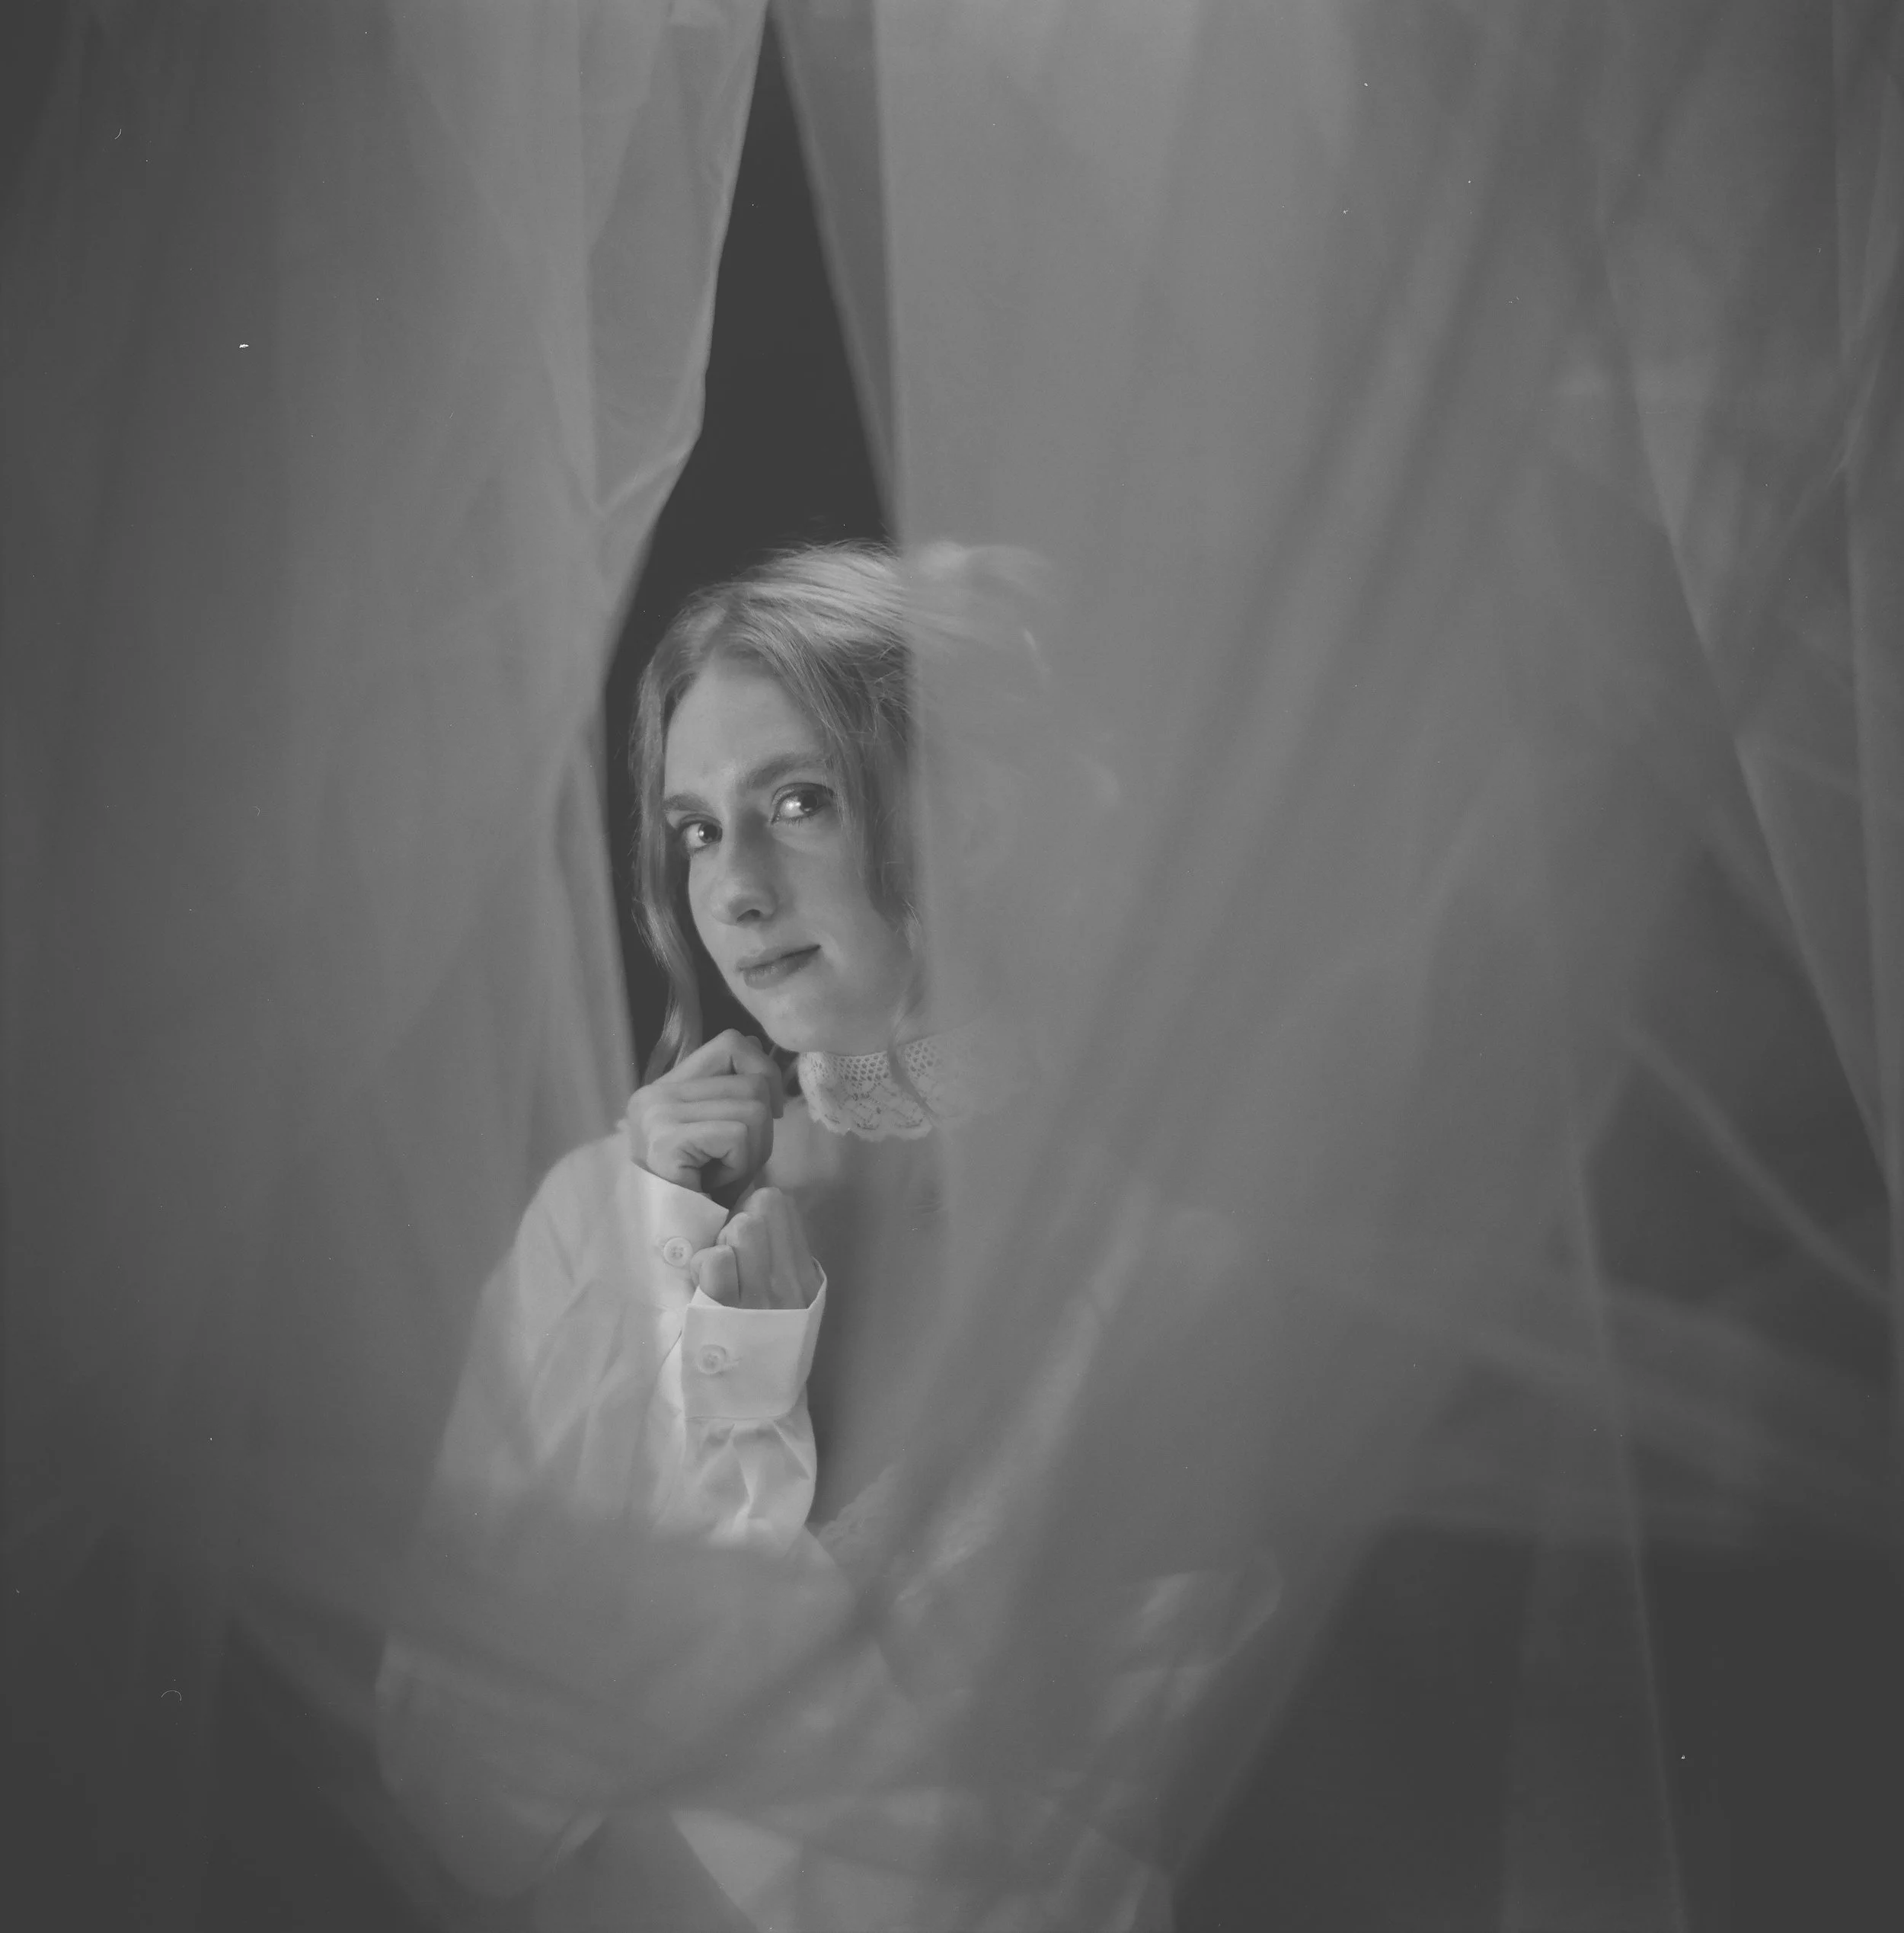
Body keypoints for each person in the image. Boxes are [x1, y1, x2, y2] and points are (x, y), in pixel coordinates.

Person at [373, 543, 1179, 1931]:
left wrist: (739, 1432)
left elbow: (1057, 1880)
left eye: (797, 802)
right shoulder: (607, 1211)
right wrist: (656, 1267)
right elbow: (460, 1784)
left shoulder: (1142, 1270)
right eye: (693, 828)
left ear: (966, 817)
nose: (734, 888)